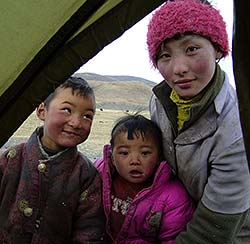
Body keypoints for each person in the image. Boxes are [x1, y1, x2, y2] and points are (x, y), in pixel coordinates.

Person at [146, 0, 250, 243]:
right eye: (164, 55)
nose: (178, 68)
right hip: (176, 218)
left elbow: (213, 231)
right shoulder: (160, 102)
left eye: (191, 49)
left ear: (218, 49)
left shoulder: (237, 130)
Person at [0, 76, 107, 243]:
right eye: (67, 110)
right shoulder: (10, 159)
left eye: (87, 116)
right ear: (42, 111)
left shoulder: (86, 176)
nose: (76, 122)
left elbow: (89, 232)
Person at [95, 113, 195, 243]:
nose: (135, 161)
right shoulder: (101, 172)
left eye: (145, 153)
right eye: (124, 153)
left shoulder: (173, 197)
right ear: (112, 157)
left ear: (159, 157)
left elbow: (173, 238)